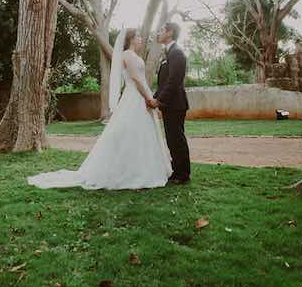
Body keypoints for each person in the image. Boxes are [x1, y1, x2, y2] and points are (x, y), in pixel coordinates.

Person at [28, 29, 172, 190]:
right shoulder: (128, 56)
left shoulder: (133, 56)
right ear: (131, 39)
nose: (140, 39)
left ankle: (142, 168)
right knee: (132, 131)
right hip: (135, 96)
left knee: (142, 132)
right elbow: (136, 79)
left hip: (138, 96)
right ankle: (130, 172)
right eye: (138, 36)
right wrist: (148, 98)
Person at [147, 22, 191, 184]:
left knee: (177, 139)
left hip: (176, 105)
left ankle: (183, 174)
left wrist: (158, 100)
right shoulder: (168, 53)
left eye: (161, 30)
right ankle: (176, 170)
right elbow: (164, 83)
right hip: (169, 105)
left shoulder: (177, 53)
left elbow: (173, 82)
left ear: (170, 33)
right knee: (172, 139)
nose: (158, 33)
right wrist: (152, 97)